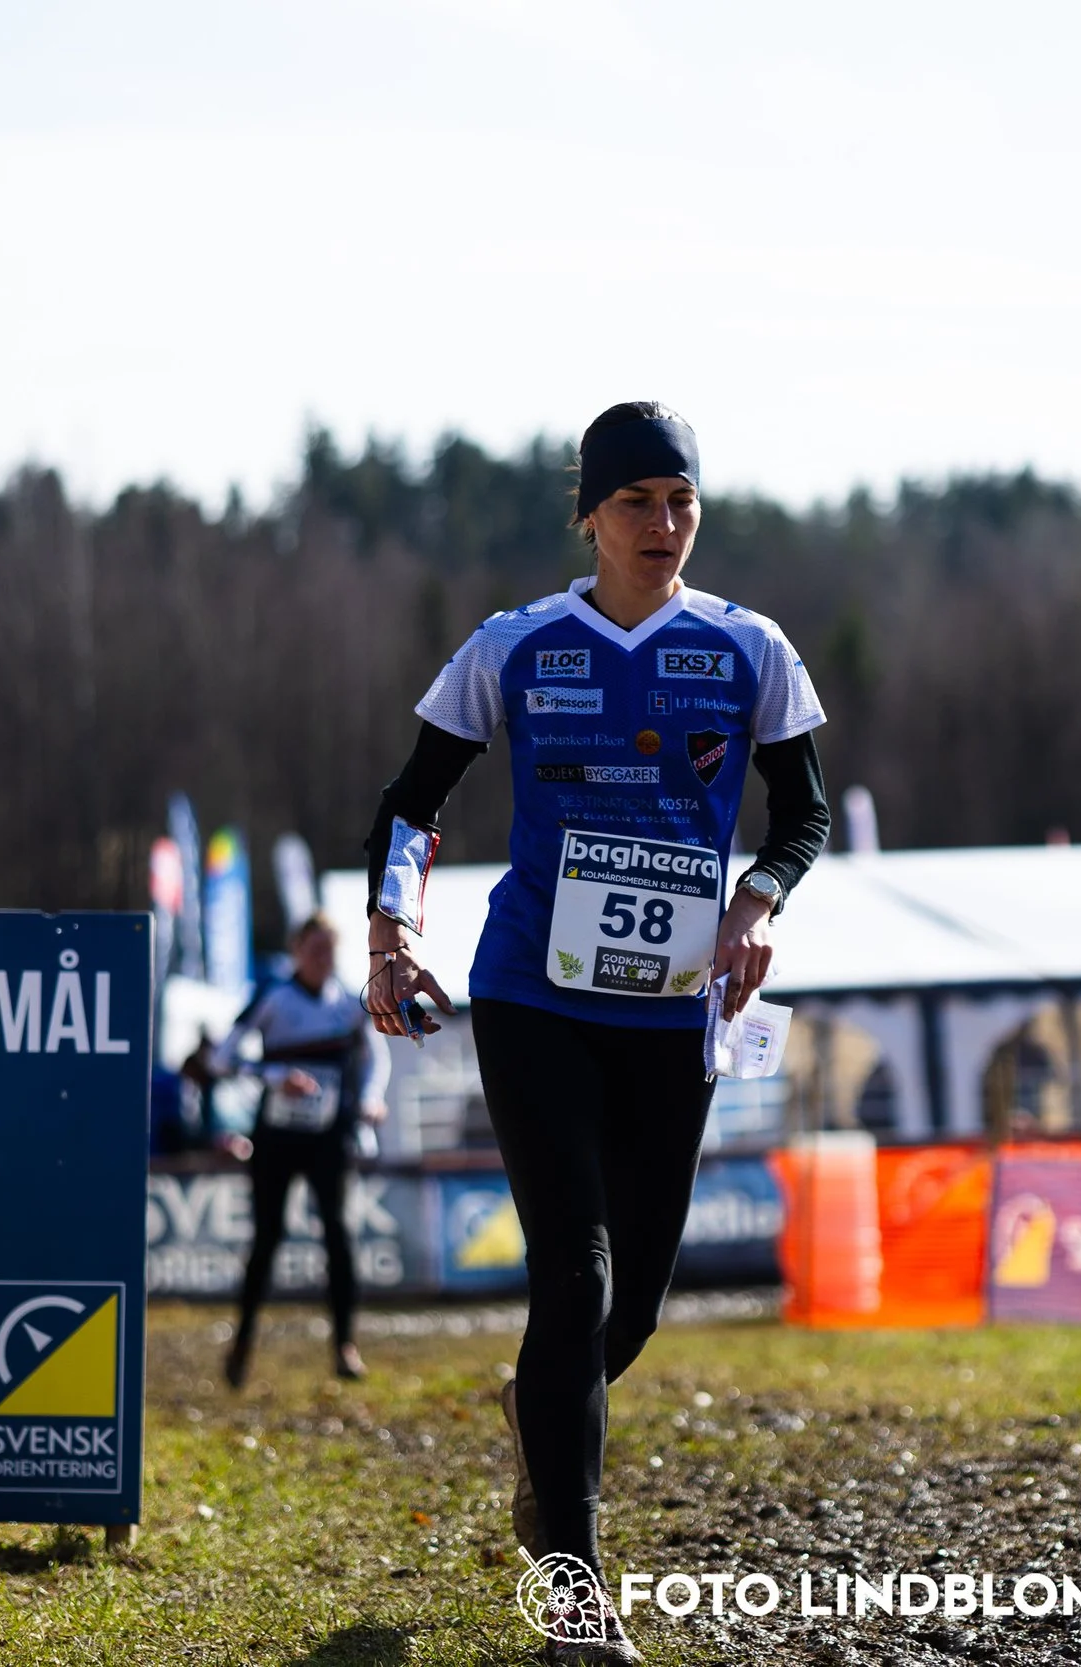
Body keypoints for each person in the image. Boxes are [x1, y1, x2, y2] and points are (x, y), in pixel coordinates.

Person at [361, 402, 829, 1664]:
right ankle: (574, 1589)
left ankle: (534, 1410)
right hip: (531, 996)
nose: (663, 526)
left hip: (673, 1010)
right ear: (589, 514)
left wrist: (755, 900)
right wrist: (391, 935)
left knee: (629, 1312)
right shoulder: (516, 646)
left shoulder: (750, 648)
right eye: (636, 503)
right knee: (574, 1272)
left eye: (681, 501)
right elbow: (412, 803)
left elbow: (805, 814)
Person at [207, 913, 389, 1386]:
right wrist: (274, 1078)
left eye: (329, 949)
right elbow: (223, 1058)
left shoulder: (350, 1003)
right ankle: (243, 1343)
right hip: (277, 1137)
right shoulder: (274, 997)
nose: (321, 958)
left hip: (328, 1136)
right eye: (314, 949)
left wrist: (370, 1099)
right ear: (296, 951)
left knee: (339, 1234)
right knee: (267, 1238)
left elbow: (376, 1057)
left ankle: (345, 1345)